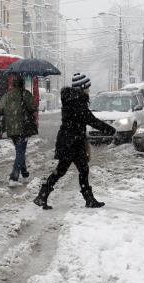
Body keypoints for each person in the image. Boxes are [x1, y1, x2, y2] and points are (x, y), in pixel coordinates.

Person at [33, 73, 116, 210]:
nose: (88, 90)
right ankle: (44, 195)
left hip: (71, 141)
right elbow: (92, 120)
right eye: (87, 87)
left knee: (78, 169)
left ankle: (45, 195)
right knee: (66, 170)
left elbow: (86, 120)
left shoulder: (72, 100)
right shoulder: (77, 103)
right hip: (71, 143)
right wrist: (111, 130)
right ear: (82, 88)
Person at [0, 76, 38, 187]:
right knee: (20, 152)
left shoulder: (6, 96)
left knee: (20, 151)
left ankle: (25, 174)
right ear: (22, 84)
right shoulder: (26, 94)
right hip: (23, 128)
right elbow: (33, 108)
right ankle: (14, 178)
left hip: (11, 129)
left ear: (12, 84)